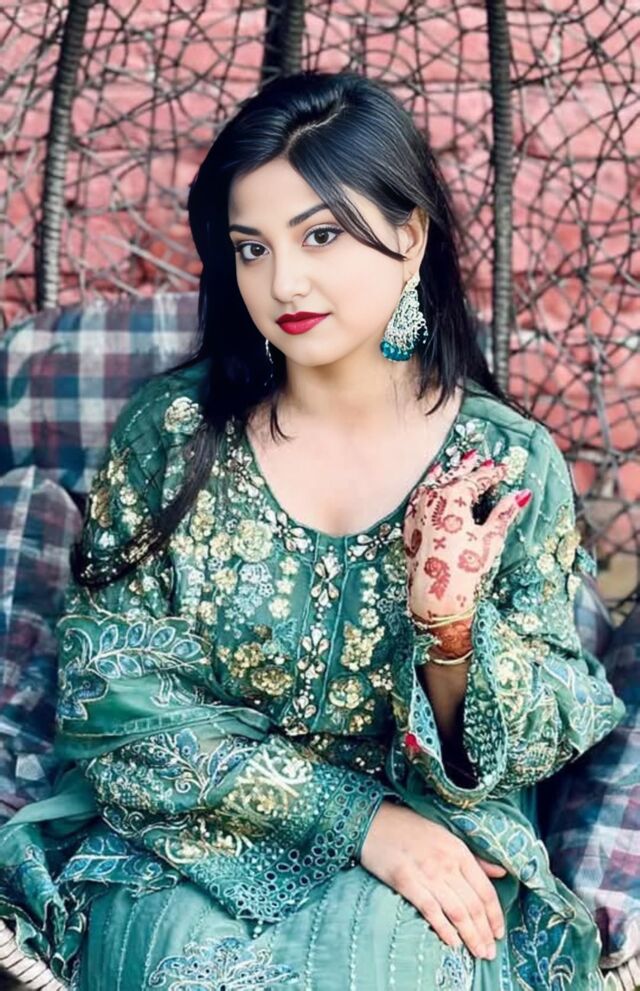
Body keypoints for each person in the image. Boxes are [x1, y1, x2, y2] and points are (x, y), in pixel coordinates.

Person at [0, 69, 626, 991]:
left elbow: (546, 726)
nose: (282, 281)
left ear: (410, 237)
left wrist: (449, 630)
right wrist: (358, 820)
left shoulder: (502, 461)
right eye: (251, 249)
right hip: (187, 848)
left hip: (436, 861)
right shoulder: (173, 435)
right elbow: (112, 700)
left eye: (321, 235)